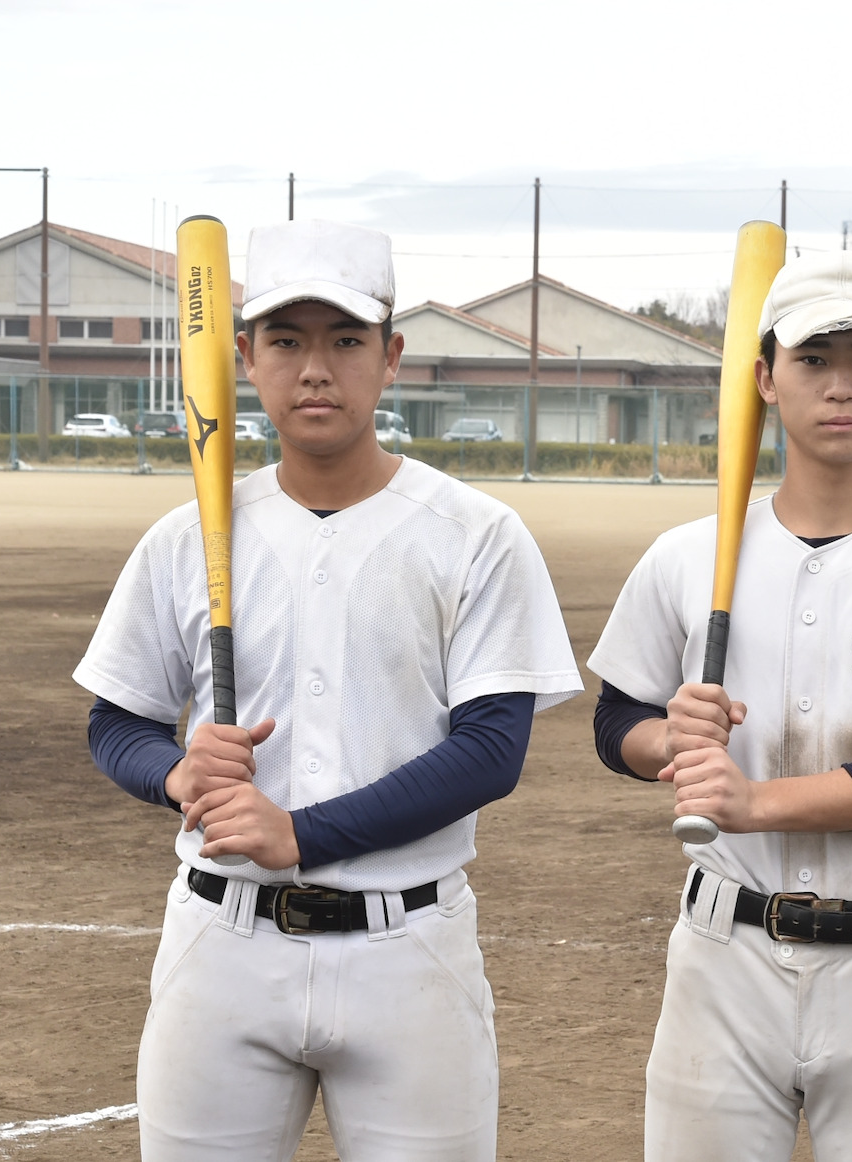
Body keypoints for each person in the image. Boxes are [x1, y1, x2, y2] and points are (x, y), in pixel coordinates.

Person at [73, 219, 581, 1161]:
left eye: (346, 340)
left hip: (410, 948)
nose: (316, 368)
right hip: (221, 948)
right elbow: (117, 721)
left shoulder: (475, 533)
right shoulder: (187, 536)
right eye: (287, 341)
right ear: (243, 359)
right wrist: (175, 776)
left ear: (391, 359)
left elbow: (489, 752)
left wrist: (302, 833)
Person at [586, 251, 852, 1162]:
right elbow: (613, 722)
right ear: (765, 378)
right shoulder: (688, 555)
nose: (841, 386)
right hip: (721, 954)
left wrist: (753, 802)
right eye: (813, 359)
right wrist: (666, 741)